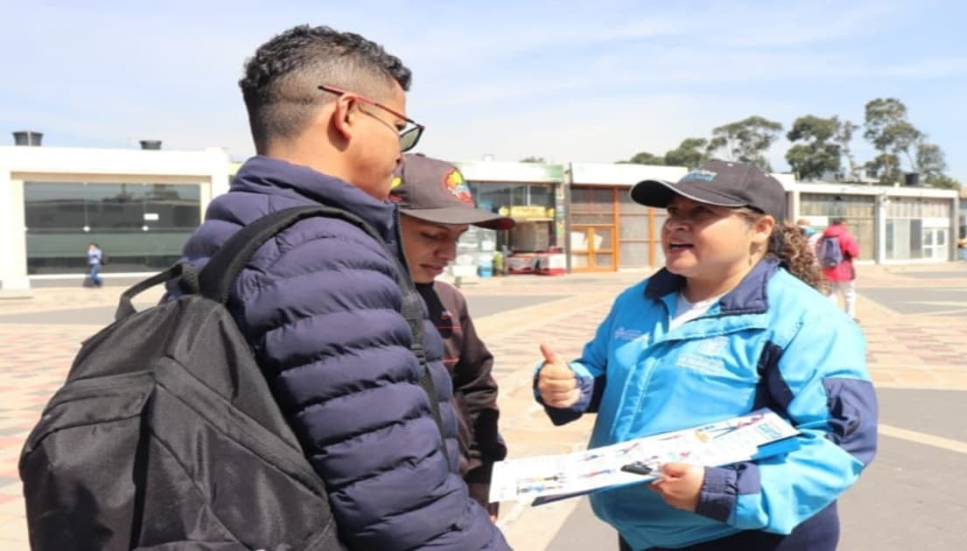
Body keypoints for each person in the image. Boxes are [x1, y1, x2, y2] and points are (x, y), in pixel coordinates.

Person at [176, 26, 507, 550]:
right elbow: (399, 499)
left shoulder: (232, 226)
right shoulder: (322, 250)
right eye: (399, 129)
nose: (400, 155)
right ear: (348, 113)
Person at [535, 160, 876, 551]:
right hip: (642, 534)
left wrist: (719, 492)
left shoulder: (805, 322)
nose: (677, 224)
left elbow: (838, 442)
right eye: (674, 212)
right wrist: (570, 385)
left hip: (742, 535)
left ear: (760, 229)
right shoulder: (638, 301)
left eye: (702, 213)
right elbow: (604, 372)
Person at [391, 153, 515, 518]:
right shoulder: (353, 304)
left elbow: (476, 390)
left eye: (458, 238)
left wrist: (483, 480)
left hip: (455, 493)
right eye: (431, 235)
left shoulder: (450, 301)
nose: (448, 252)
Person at [819, 218, 861, 320]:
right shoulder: (846, 236)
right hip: (844, 269)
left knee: (831, 293)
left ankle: (832, 315)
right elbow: (854, 252)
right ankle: (849, 315)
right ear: (843, 224)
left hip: (827, 269)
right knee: (849, 294)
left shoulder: (824, 236)